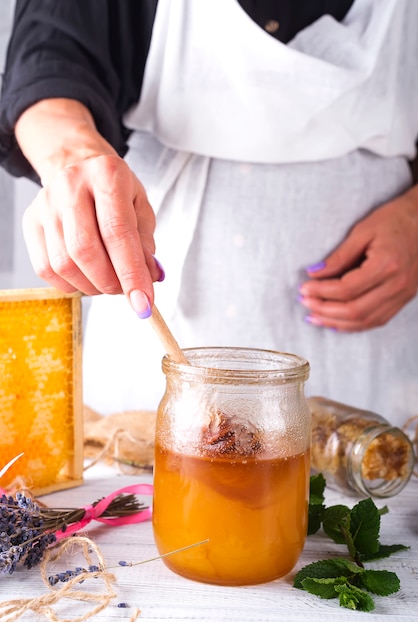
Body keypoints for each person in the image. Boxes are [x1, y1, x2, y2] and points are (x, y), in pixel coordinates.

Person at [0, 0, 417, 426]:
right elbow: (48, 60)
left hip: (376, 344)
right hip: (154, 353)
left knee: (375, 476)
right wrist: (74, 159)